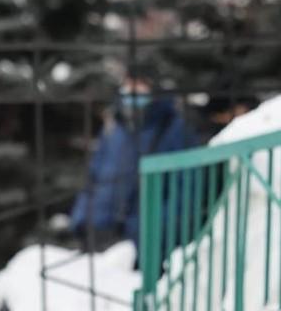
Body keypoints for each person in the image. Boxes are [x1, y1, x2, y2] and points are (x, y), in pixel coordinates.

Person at [68, 76, 204, 253]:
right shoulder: (113, 128)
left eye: (139, 86)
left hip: (144, 244)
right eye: (127, 84)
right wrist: (82, 220)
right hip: (99, 236)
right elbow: (93, 179)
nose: (131, 91)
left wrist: (147, 235)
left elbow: (184, 193)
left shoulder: (174, 129)